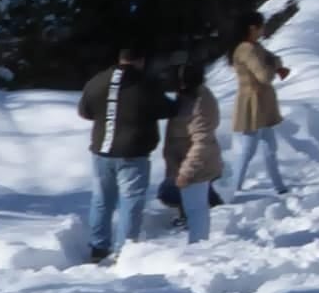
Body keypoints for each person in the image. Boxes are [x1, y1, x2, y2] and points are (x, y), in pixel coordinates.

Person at [70, 41, 191, 265]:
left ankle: (98, 247)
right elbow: (168, 109)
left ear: (120, 58)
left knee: (102, 200)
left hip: (102, 150)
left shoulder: (98, 80)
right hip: (133, 152)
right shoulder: (145, 83)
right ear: (141, 61)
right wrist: (182, 95)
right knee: (130, 202)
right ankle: (124, 251)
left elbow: (84, 111)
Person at [156, 51, 227, 242]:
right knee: (188, 206)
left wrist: (186, 172)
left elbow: (202, 143)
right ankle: (196, 242)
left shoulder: (201, 103)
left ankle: (197, 247)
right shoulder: (186, 96)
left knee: (196, 211)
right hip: (182, 165)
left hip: (196, 168)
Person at [220, 16, 290, 198]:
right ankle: (234, 188)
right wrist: (275, 65)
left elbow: (273, 59)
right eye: (260, 27)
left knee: (270, 147)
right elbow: (264, 76)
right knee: (248, 149)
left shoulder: (254, 47)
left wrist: (274, 63)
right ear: (252, 28)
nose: (263, 30)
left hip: (261, 103)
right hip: (253, 103)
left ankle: (279, 186)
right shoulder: (247, 49)